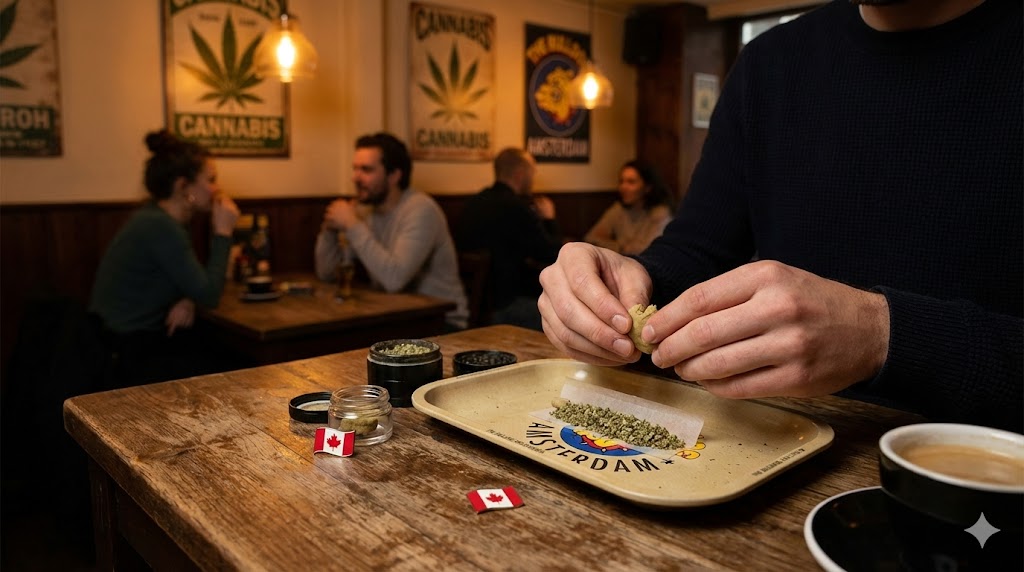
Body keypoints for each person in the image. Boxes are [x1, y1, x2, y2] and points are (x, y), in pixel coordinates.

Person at [537, 0, 1022, 432]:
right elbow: (698, 250)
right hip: (767, 439)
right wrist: (629, 282)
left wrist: (883, 336)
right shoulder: (769, 63)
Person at [90, 129, 241, 386]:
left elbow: (188, 282)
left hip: (130, 340)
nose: (217, 189)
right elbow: (210, 295)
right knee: (234, 370)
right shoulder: (161, 227)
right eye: (211, 179)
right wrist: (223, 233)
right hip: (124, 352)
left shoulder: (157, 217)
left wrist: (188, 298)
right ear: (184, 187)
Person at [315, 132, 468, 330]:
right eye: (355, 169)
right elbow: (327, 274)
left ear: (394, 175)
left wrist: (352, 225)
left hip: (442, 324)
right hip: (396, 319)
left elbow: (394, 280)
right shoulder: (366, 211)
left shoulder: (421, 209)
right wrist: (329, 230)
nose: (355, 178)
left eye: (366, 170)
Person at [455, 147, 562, 331]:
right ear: (520, 174)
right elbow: (552, 253)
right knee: (564, 315)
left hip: (475, 309)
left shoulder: (473, 204)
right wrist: (550, 219)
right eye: (532, 173)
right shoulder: (516, 208)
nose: (533, 178)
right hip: (506, 308)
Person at [584, 159, 674, 255]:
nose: (623, 187)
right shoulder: (618, 210)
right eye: (621, 181)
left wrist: (618, 247)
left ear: (647, 187)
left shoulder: (661, 213)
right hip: (622, 264)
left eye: (631, 182)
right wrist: (620, 247)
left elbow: (652, 250)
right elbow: (591, 238)